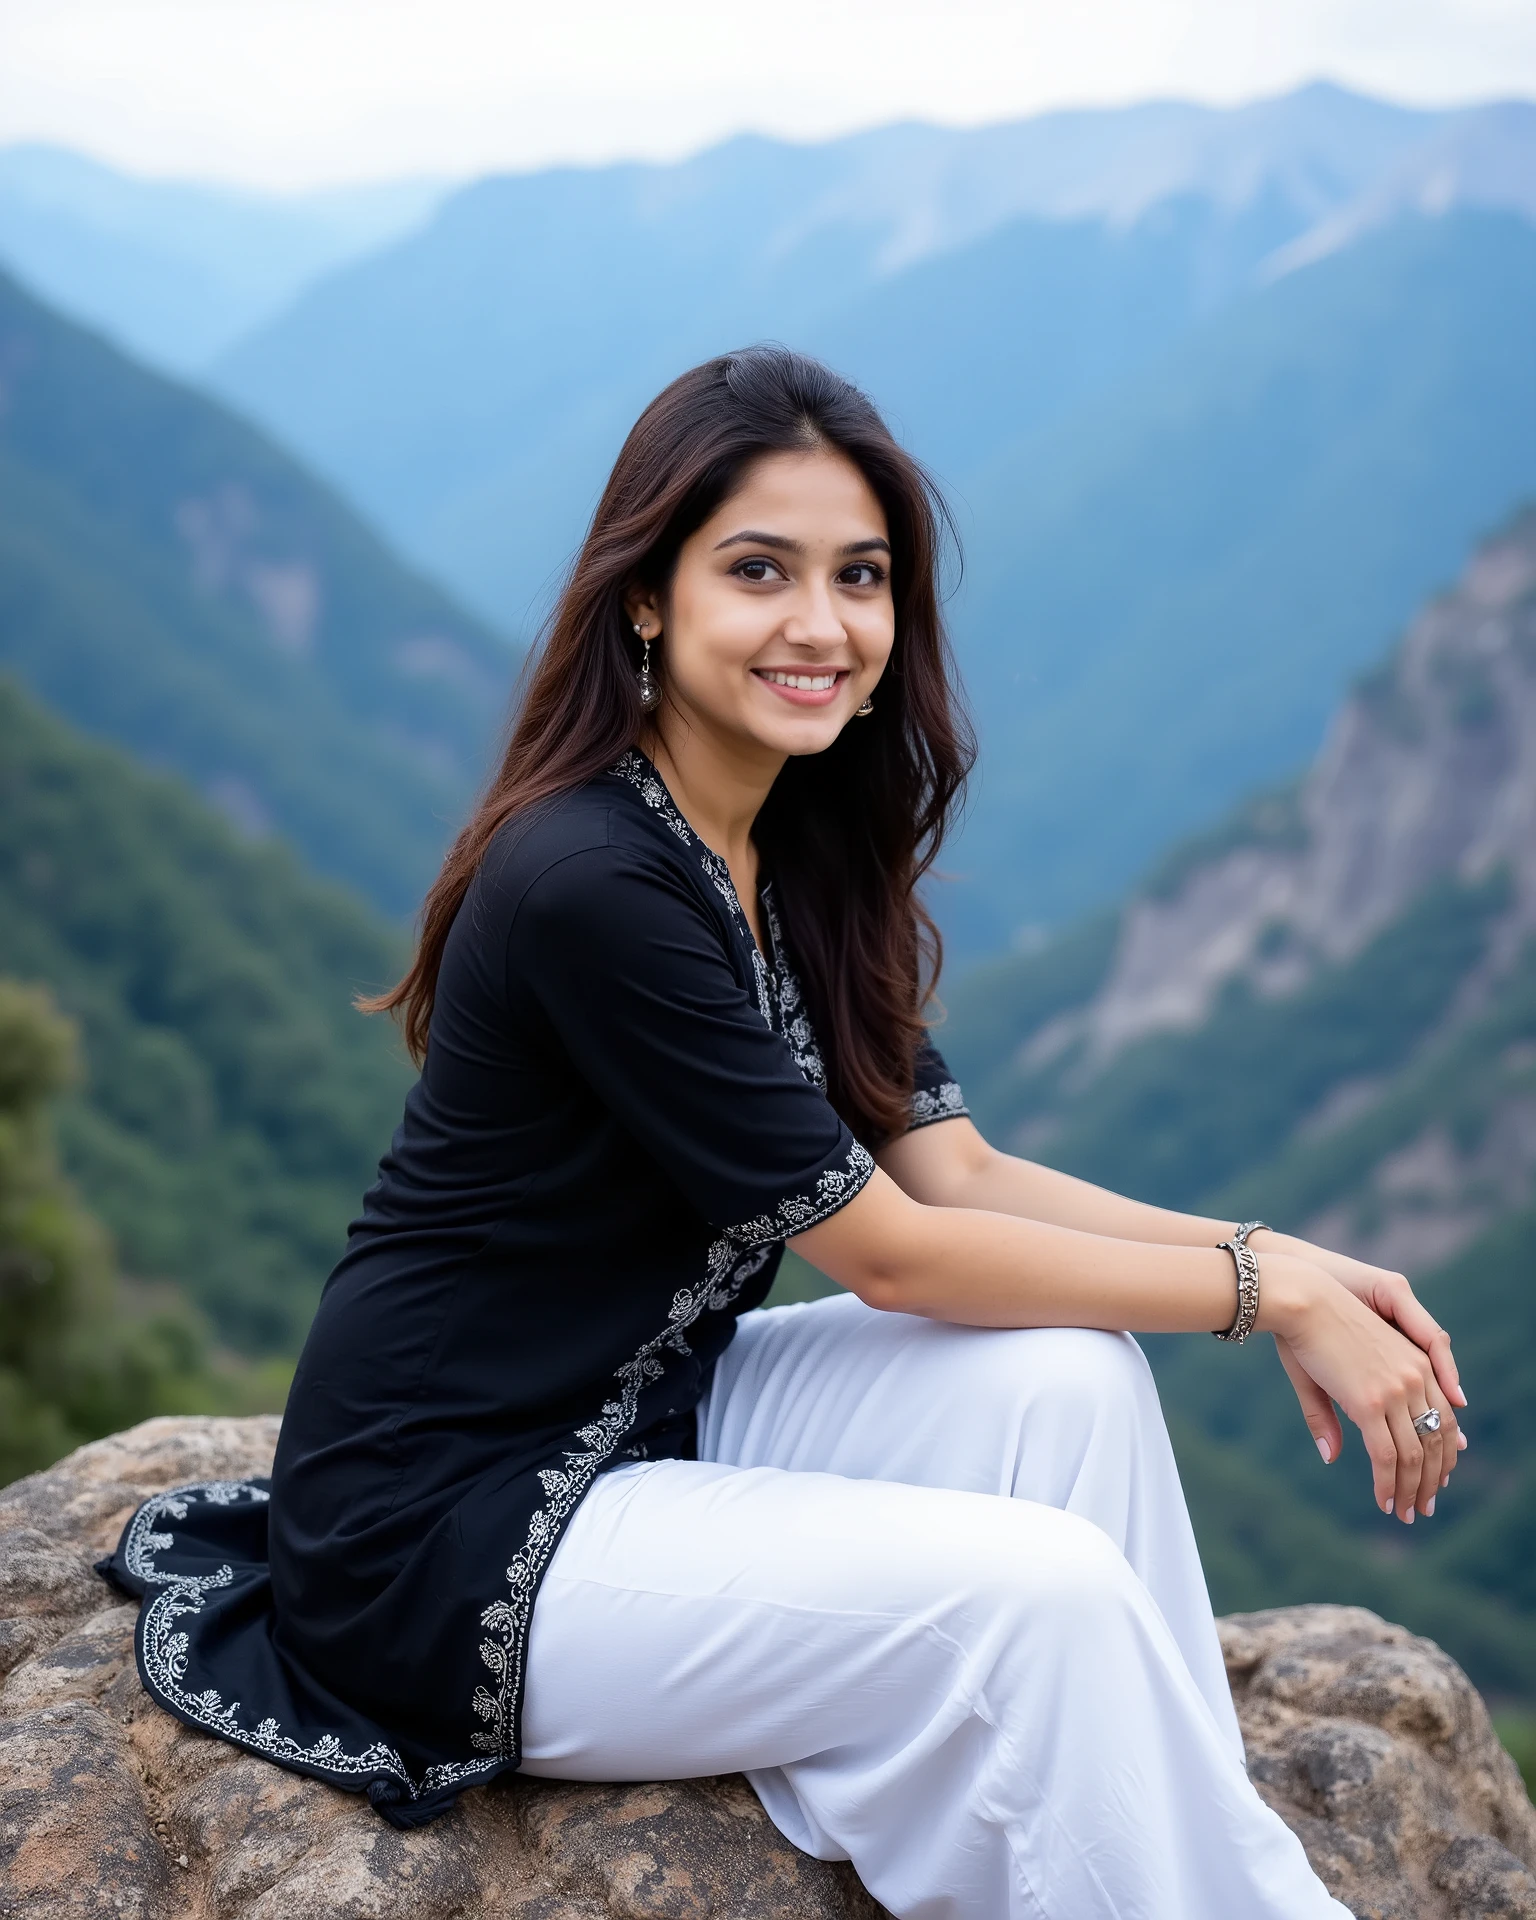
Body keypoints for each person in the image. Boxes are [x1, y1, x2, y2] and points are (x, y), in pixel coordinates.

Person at [102, 346, 1467, 1920]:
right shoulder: (592, 881)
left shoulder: (799, 844)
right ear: (647, 598)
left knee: (1070, 1378)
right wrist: (1263, 1295)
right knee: (1036, 1601)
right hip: (450, 1528)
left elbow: (957, 1173)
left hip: (644, 1416)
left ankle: (1158, 1841)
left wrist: (1280, 1257)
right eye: (761, 571)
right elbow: (891, 1257)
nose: (822, 625)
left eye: (861, 577)